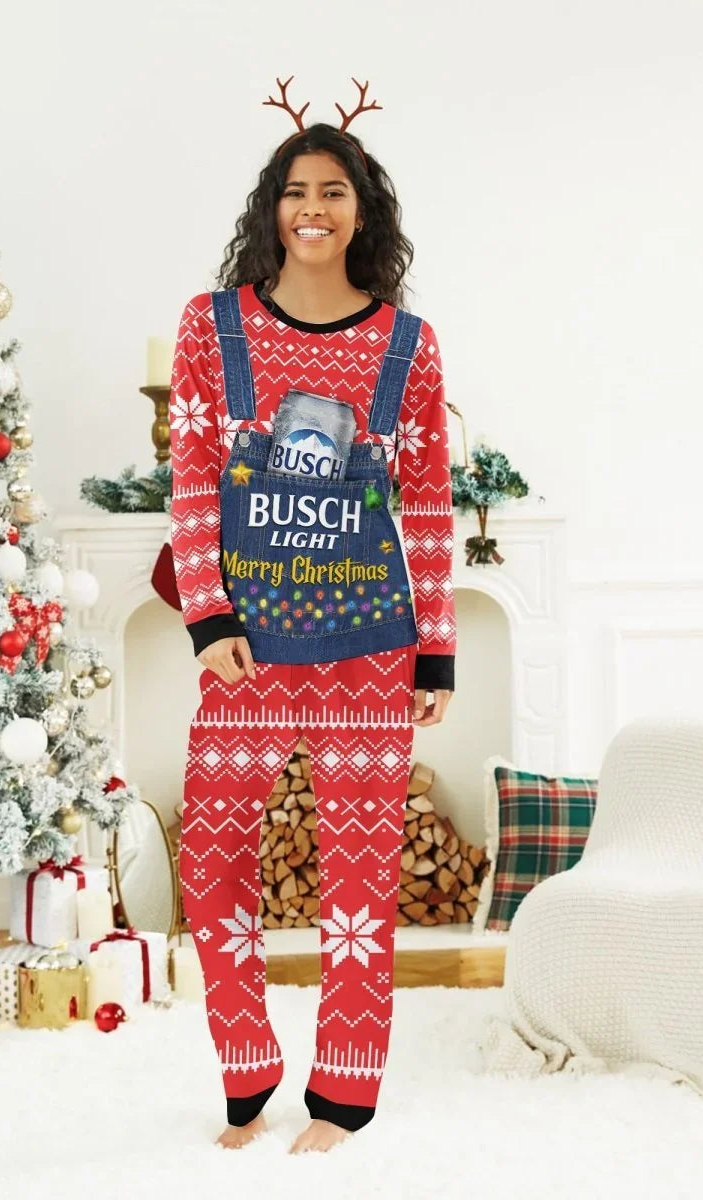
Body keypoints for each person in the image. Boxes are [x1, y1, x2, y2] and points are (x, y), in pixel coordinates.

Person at [167, 78, 456, 1155]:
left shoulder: (407, 347)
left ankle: (345, 1089)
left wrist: (435, 654)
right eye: (296, 191)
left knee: (358, 873)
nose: (313, 209)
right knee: (215, 854)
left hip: (372, 642)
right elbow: (193, 478)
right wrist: (206, 616)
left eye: (335, 191)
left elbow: (424, 502)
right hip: (247, 647)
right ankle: (246, 1067)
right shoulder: (212, 329)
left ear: (363, 211)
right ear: (272, 209)